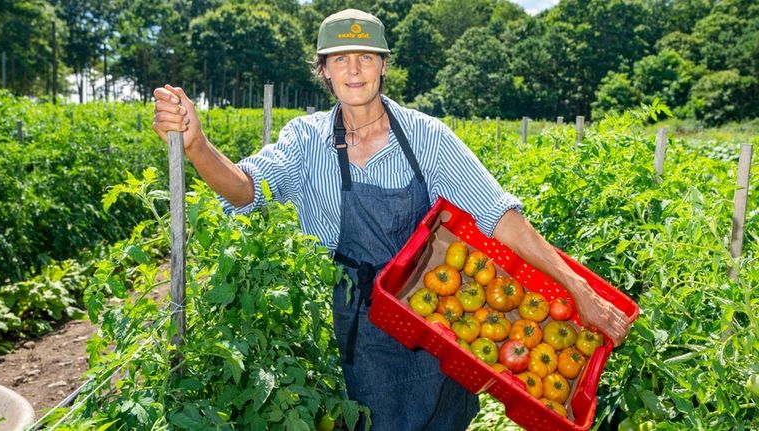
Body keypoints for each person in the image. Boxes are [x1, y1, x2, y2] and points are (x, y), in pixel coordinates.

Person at [152, 8, 631, 430]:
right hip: (344, 333)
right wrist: (197, 146)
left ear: (383, 64)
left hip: (431, 325)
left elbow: (498, 214)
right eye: (340, 59)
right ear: (324, 70)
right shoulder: (305, 140)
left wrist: (578, 290)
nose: (354, 69)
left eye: (365, 57)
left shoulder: (427, 137)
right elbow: (246, 189)